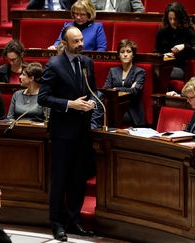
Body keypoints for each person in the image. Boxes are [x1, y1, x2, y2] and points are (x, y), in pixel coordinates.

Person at [38, 26, 96, 241]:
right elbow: (43, 98)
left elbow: (93, 91)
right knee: (60, 179)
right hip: (62, 132)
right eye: (76, 41)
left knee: (78, 179)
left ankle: (74, 220)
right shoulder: (54, 65)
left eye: (81, 40)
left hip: (82, 130)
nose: (80, 44)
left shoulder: (87, 63)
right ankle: (57, 223)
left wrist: (91, 102)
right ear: (65, 43)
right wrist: (70, 104)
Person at [102, 39, 146, 126]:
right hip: (114, 108)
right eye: (122, 52)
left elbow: (135, 91)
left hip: (132, 111)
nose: (125, 54)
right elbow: (106, 89)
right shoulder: (113, 71)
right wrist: (129, 89)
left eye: (128, 51)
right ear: (119, 55)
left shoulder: (139, 72)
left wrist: (116, 89)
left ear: (133, 55)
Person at [154, 2, 195, 81]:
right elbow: (156, 52)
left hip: (178, 68)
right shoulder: (162, 32)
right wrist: (164, 55)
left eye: (175, 19)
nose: (172, 22)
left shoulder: (189, 31)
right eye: (170, 19)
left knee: (158, 73)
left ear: (180, 18)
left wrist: (184, 46)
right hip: (163, 65)